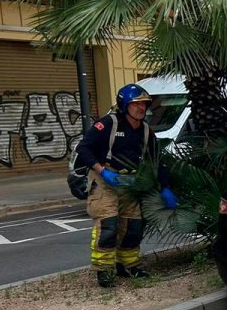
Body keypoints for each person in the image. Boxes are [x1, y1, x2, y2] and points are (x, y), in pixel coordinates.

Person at [75, 84, 178, 288]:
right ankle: (104, 269)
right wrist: (102, 171)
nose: (141, 108)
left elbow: (157, 161)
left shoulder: (146, 131)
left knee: (132, 227)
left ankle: (129, 265)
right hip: (105, 181)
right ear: (124, 105)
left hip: (130, 183)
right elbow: (83, 148)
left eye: (144, 104)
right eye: (136, 104)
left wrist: (165, 187)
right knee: (108, 225)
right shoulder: (108, 124)